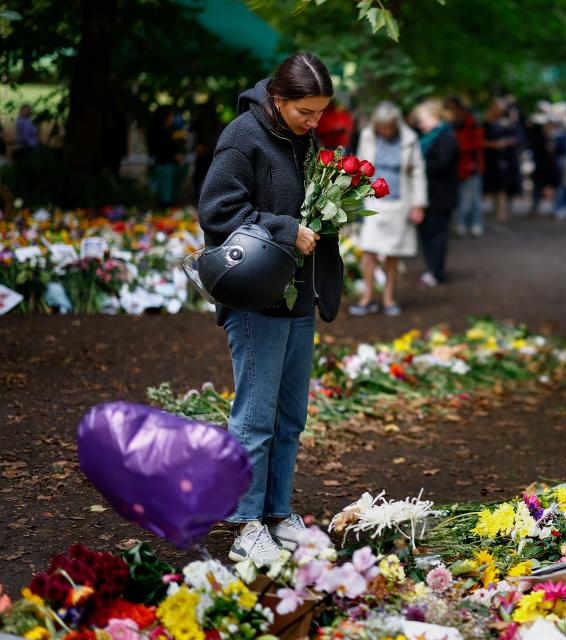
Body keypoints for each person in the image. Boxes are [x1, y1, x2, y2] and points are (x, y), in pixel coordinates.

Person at [198, 52, 339, 565]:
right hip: (256, 296)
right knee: (254, 416)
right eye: (307, 111)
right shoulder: (241, 136)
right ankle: (245, 523)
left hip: (299, 293)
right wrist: (284, 229)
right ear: (278, 100)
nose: (315, 122)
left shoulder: (303, 140)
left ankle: (278, 514)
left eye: (321, 112)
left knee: (289, 416)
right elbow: (216, 212)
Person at [351, 101, 427, 316]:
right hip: (373, 202)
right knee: (368, 250)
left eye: (389, 127)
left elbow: (418, 172)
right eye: (382, 127)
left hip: (399, 202)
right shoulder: (367, 135)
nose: (386, 131)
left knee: (393, 253)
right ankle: (367, 297)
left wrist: (418, 204)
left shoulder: (409, 138)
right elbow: (360, 166)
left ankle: (388, 297)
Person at [412, 99, 459, 287]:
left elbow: (442, 164)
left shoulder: (446, 137)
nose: (420, 124)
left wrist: (418, 166)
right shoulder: (429, 138)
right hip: (429, 195)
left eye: (422, 119)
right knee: (428, 234)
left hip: (441, 197)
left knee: (437, 235)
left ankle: (437, 272)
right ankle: (432, 269)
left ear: (435, 117)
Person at [445, 96, 485, 237]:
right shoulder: (450, 125)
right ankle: (462, 223)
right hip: (456, 167)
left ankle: (475, 223)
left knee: (474, 198)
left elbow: (478, 143)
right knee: (462, 198)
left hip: (471, 166)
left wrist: (458, 147)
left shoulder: (472, 122)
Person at [483, 98, 521, 228]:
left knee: (502, 190)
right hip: (491, 161)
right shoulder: (486, 123)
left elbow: (517, 137)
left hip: (503, 161)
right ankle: (497, 216)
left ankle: (501, 217)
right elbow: (480, 141)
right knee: (494, 190)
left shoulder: (506, 123)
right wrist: (495, 144)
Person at [147, 106, 181, 206]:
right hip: (164, 166)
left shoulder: (168, 130)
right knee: (165, 194)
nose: (173, 118)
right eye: (171, 116)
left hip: (165, 165)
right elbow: (160, 150)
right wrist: (174, 156)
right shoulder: (159, 132)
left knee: (165, 192)